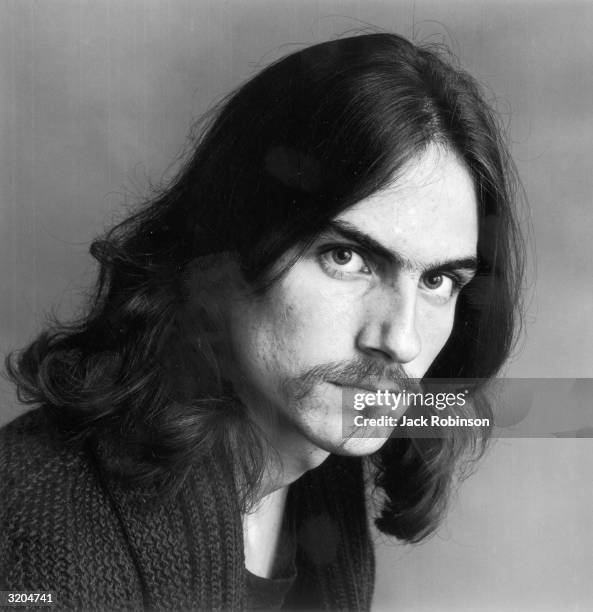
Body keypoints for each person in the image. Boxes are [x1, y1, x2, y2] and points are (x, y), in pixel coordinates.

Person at [0, 32, 523, 610]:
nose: (401, 339)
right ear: (224, 252)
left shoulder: (320, 474)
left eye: (437, 281)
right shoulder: (32, 537)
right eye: (345, 257)